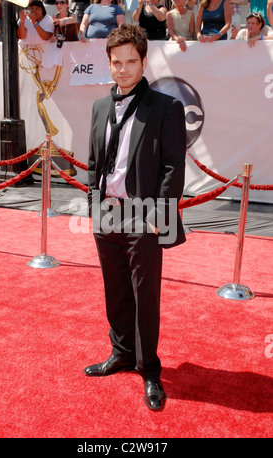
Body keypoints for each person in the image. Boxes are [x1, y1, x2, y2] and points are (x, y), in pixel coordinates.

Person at [84, 23, 186, 411]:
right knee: (116, 289)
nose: (123, 69)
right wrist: (94, 204)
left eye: (131, 61)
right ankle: (122, 353)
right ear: (109, 64)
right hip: (107, 214)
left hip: (144, 215)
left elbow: (174, 167)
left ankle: (149, 370)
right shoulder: (98, 107)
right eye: (116, 62)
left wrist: (160, 213)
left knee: (145, 295)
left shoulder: (166, 107)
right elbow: (94, 162)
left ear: (144, 61)